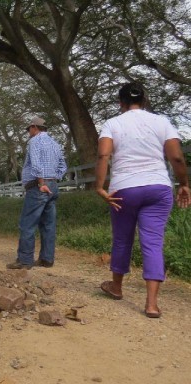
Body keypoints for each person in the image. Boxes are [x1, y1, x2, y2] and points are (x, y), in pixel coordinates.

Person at [95, 82, 190, 319]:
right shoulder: (161, 122)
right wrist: (184, 184)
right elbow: (176, 157)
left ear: (120, 103)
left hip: (124, 189)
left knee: (122, 239)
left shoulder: (113, 123)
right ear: (144, 101)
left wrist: (99, 186)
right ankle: (151, 304)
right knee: (153, 242)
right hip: (158, 188)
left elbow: (103, 154)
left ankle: (116, 287)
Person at [7, 117, 67, 270]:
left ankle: (25, 259)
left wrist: (41, 183)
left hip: (38, 186)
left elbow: (36, 163)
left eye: (28, 129)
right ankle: (47, 259)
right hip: (52, 185)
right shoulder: (55, 143)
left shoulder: (35, 141)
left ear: (34, 127)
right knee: (48, 224)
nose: (28, 133)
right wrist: (53, 179)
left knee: (28, 223)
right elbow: (63, 166)